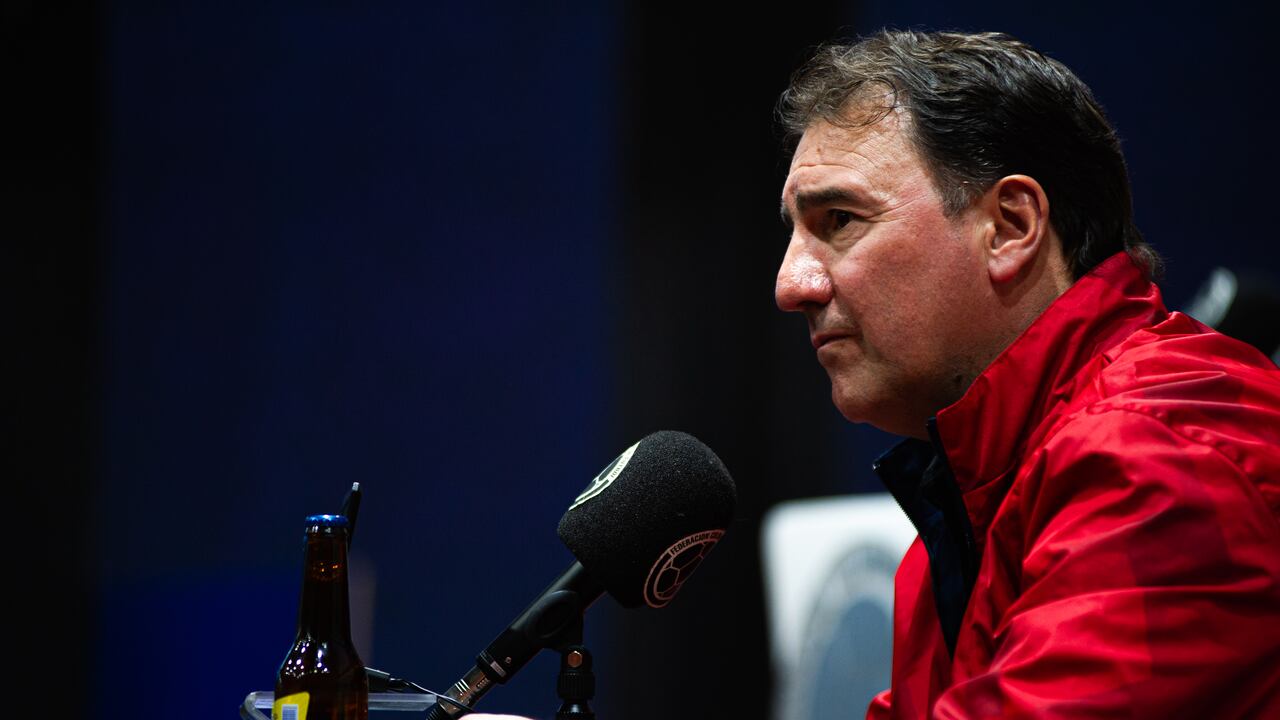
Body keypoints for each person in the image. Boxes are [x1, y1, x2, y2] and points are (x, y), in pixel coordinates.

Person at [774, 30, 1280, 718]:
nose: (790, 284)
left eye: (839, 219)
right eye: (794, 235)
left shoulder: (1160, 451)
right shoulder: (962, 518)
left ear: (1011, 227)